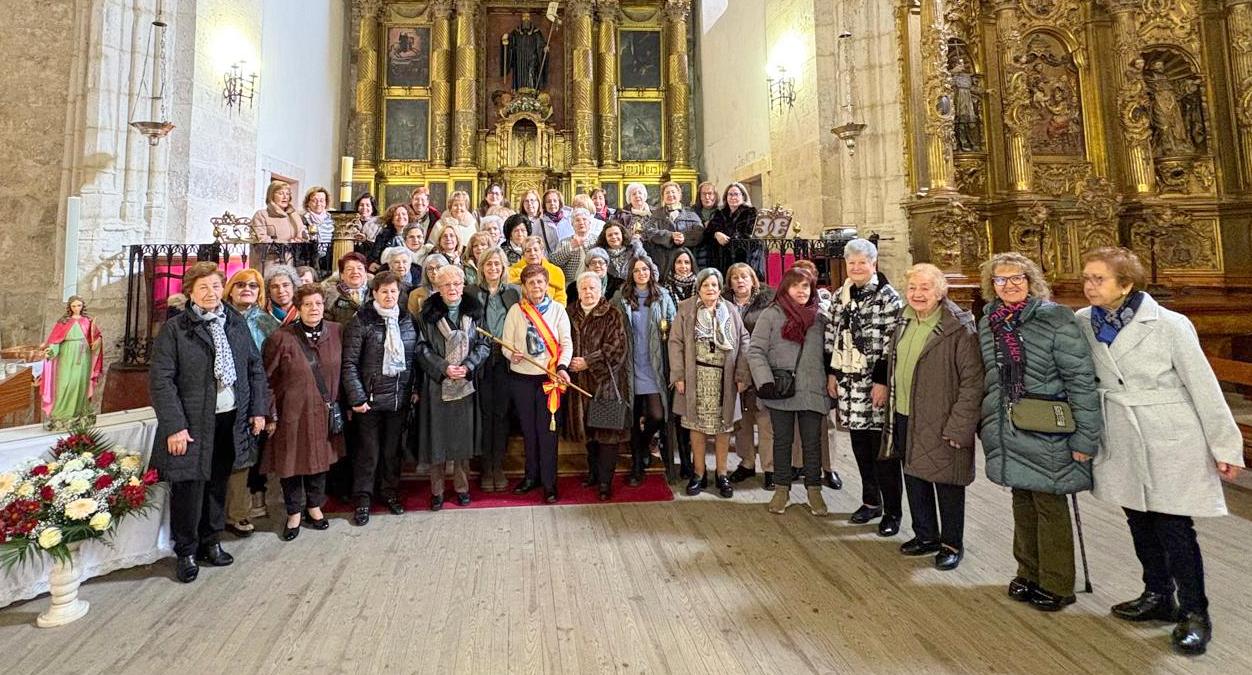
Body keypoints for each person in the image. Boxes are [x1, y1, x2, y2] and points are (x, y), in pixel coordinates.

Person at [1076, 247, 1244, 655]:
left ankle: (1195, 613)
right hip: (1118, 429)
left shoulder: (1169, 324)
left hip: (1169, 433)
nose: (1089, 285)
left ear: (1126, 284)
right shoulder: (1082, 322)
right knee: (1137, 518)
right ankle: (1157, 595)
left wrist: (1225, 445)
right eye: (1086, 277)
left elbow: (1203, 385)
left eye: (1099, 278)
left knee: (1174, 527)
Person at [976, 252, 1103, 611]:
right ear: (992, 286)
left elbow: (1080, 380)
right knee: (1023, 499)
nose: (1010, 285)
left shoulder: (1055, 318)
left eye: (1017, 278)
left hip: (1048, 425)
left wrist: (1084, 438)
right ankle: (1029, 572)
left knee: (1049, 500)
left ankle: (1058, 582)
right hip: (1009, 423)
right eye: (1001, 280)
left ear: (1031, 281)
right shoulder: (991, 321)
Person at [149, 262, 267, 583]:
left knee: (218, 482)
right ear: (190, 293)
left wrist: (257, 410)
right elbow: (162, 380)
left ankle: (211, 540)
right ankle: (186, 549)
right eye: (203, 288)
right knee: (189, 486)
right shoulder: (176, 329)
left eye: (216, 286)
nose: (211, 293)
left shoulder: (235, 323)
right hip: (192, 422)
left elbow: (254, 368)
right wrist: (175, 426)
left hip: (230, 418)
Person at [879, 263, 983, 571]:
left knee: (947, 481)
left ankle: (951, 543)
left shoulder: (958, 327)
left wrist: (960, 424)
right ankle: (925, 534)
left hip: (942, 418)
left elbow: (973, 381)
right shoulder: (904, 320)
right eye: (912, 288)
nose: (917, 294)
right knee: (914, 475)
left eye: (925, 288)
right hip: (904, 413)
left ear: (940, 292)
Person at [824, 239, 905, 535]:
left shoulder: (888, 298)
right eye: (852, 263)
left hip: (875, 384)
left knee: (882, 450)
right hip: (848, 383)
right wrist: (831, 373)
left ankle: (893, 512)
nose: (857, 268)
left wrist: (882, 381)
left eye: (862, 263)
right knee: (859, 445)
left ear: (874, 264)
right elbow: (832, 335)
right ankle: (871, 501)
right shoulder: (840, 296)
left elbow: (891, 344)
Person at [261, 284, 343, 541]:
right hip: (291, 413)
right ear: (298, 307)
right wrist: (270, 413)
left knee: (319, 460)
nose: (313, 309)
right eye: (307, 304)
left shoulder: (337, 332)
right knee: (291, 463)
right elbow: (266, 379)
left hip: (323, 410)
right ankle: (294, 512)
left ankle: (315, 506)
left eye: (318, 303)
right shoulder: (281, 338)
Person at [748, 267, 832, 516]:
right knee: (782, 441)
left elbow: (830, 353)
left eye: (806, 286)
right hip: (781, 389)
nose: (801, 291)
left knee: (812, 443)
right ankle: (781, 488)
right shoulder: (771, 315)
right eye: (796, 286)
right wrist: (765, 381)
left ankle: (814, 490)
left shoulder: (820, 317)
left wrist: (832, 380)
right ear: (785, 288)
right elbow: (755, 351)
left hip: (813, 388)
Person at [341, 271, 418, 526]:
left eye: (393, 291)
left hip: (399, 397)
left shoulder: (407, 320)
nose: (389, 296)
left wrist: (413, 389)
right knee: (368, 452)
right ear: (374, 293)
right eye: (384, 291)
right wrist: (357, 396)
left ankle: (389, 492)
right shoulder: (361, 320)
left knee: (391, 451)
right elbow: (350, 362)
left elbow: (413, 359)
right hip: (369, 400)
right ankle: (363, 499)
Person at [414, 265, 491, 510]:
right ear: (438, 287)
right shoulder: (427, 314)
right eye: (446, 285)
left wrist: (468, 366)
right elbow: (421, 348)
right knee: (437, 440)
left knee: (461, 440)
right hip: (437, 384)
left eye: (457, 284)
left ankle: (461, 487)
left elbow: (484, 344)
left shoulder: (475, 311)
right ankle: (437, 491)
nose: (452, 289)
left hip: (465, 383)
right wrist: (443, 367)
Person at [670, 268, 751, 498]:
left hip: (724, 378)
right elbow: (675, 342)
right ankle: (699, 473)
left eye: (714, 285)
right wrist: (678, 375)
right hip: (696, 377)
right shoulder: (686, 309)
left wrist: (742, 374)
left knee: (723, 427)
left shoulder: (731, 309)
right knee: (696, 426)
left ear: (720, 288)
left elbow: (744, 339)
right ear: (699, 287)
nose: (710, 289)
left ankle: (722, 473)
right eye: (706, 285)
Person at [503, 263, 573, 504]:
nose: (536, 286)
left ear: (547, 284)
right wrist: (511, 355)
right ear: (524, 286)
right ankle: (530, 476)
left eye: (539, 282)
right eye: (530, 282)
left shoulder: (558, 310)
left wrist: (562, 366)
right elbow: (506, 344)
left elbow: (566, 343)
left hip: (548, 379)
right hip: (521, 378)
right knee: (528, 431)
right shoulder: (516, 311)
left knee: (547, 432)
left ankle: (549, 483)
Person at [221, 270, 280, 538]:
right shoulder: (219, 318)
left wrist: (268, 408)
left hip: (254, 394)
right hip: (221, 394)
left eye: (253, 286)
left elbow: (271, 369)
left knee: (246, 455)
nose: (247, 289)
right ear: (230, 289)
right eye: (240, 285)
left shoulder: (268, 324)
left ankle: (239, 510)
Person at [568, 271, 632, 501]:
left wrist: (589, 361)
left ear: (601, 290)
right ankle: (593, 474)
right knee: (589, 434)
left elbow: (617, 349)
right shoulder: (569, 312)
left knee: (606, 436)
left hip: (605, 383)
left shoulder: (612, 314)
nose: (588, 292)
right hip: (578, 384)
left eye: (592, 288)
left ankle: (605, 481)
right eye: (583, 288)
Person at [615, 255, 677, 485]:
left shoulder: (663, 296)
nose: (641, 273)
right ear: (631, 274)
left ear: (651, 272)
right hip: (630, 365)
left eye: (645, 269)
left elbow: (674, 324)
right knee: (631, 419)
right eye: (637, 270)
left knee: (657, 415)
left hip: (654, 365)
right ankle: (637, 466)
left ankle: (643, 446)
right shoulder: (620, 297)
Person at [471, 247, 522, 492]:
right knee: (484, 413)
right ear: (481, 268)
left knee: (500, 414)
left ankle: (498, 466)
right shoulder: (472, 293)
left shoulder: (513, 293)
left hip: (505, 360)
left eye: (497, 265)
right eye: (488, 264)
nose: (493, 268)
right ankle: (485, 466)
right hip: (480, 360)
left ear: (503, 268)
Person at [724, 263, 778, 488]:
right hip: (733, 369)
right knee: (742, 422)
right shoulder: (724, 305)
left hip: (760, 368)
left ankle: (770, 468)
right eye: (735, 277)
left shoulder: (768, 304)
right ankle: (746, 462)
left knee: (765, 422)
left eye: (744, 276)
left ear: (753, 280)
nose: (740, 281)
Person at [39, 295, 103, 427]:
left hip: (83, 354)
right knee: (65, 382)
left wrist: (97, 342)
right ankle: (62, 412)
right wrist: (51, 351)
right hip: (67, 354)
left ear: (82, 306)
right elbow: (55, 340)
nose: (76, 308)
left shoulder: (88, 321)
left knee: (80, 382)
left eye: (79, 305)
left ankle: (79, 411)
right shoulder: (63, 322)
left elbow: (96, 337)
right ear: (69, 307)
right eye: (73, 306)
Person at [646, 181, 704, 277]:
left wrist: (684, 238)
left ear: (679, 195)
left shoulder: (692, 214)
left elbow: (699, 233)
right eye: (667, 193)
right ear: (663, 197)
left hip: (686, 262)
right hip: (663, 263)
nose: (670, 195)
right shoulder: (655, 215)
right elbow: (649, 232)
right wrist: (669, 236)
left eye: (673, 192)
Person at [706, 182, 758, 274]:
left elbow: (749, 235)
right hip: (720, 261)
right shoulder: (719, 213)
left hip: (743, 260)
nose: (733, 197)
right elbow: (709, 231)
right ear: (726, 197)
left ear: (743, 196)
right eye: (730, 194)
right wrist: (716, 234)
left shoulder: (751, 213)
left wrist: (728, 239)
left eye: (736, 194)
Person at [508, 235, 568, 305]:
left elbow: (561, 297)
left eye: (536, 250)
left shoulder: (556, 271)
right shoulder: (513, 272)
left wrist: (555, 312)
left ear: (542, 252)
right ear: (523, 254)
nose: (532, 253)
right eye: (528, 251)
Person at [324, 252, 372, 325]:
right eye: (349, 269)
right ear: (342, 275)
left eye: (359, 268)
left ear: (365, 272)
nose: (355, 272)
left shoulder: (376, 292)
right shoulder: (331, 296)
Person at [550, 207, 596, 281]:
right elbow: (554, 261)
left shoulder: (596, 240)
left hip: (592, 282)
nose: (581, 222)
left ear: (589, 223)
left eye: (584, 219)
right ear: (572, 224)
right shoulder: (564, 242)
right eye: (577, 220)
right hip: (570, 285)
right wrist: (570, 247)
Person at [370, 204, 413, 270]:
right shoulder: (383, 236)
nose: (401, 216)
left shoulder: (415, 234)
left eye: (404, 214)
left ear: (408, 218)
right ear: (392, 220)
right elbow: (374, 257)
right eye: (397, 215)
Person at [302, 186, 334, 251]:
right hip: (310, 255)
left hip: (329, 256)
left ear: (326, 203)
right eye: (314, 201)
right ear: (308, 203)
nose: (318, 204)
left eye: (321, 201)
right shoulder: (303, 219)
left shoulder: (332, 219)